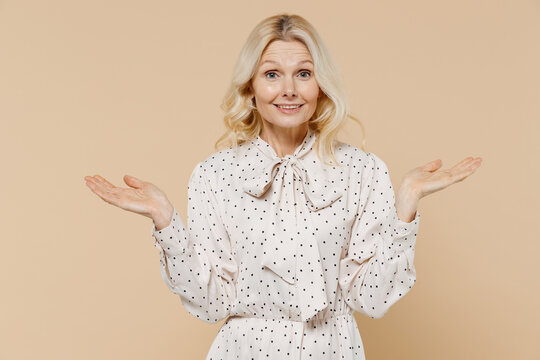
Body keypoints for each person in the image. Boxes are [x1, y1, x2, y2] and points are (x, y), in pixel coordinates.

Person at [84, 13, 482, 360]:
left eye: (303, 74)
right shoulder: (214, 175)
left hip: (334, 350)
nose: (289, 89)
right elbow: (210, 303)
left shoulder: (363, 171)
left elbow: (372, 299)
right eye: (272, 74)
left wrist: (405, 207)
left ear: (320, 85)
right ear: (251, 88)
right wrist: (166, 222)